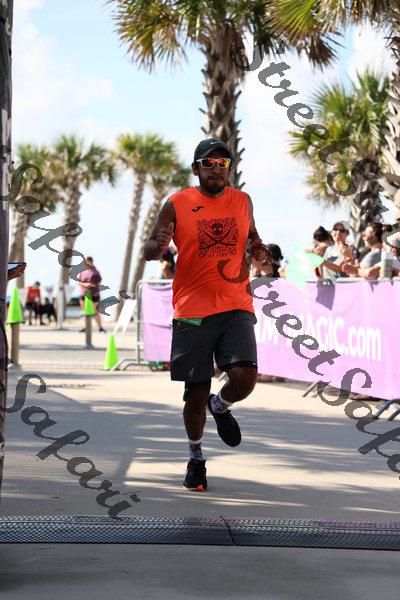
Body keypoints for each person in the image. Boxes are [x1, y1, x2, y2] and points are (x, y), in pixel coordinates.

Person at [142, 137, 269, 492]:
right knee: (195, 393)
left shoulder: (242, 201)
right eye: (208, 163)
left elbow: (252, 238)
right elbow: (149, 249)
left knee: (245, 378)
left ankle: (222, 406)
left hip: (236, 303)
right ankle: (196, 458)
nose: (216, 169)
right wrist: (157, 245)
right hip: (192, 309)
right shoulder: (177, 203)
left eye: (222, 163)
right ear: (195, 168)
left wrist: (258, 249)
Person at [77, 256, 106, 333]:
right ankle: (86, 327)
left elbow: (98, 282)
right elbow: (78, 281)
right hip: (83, 294)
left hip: (94, 294)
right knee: (84, 311)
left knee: (95, 312)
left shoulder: (95, 272)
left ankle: (100, 328)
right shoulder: (82, 271)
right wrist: (85, 284)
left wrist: (90, 284)